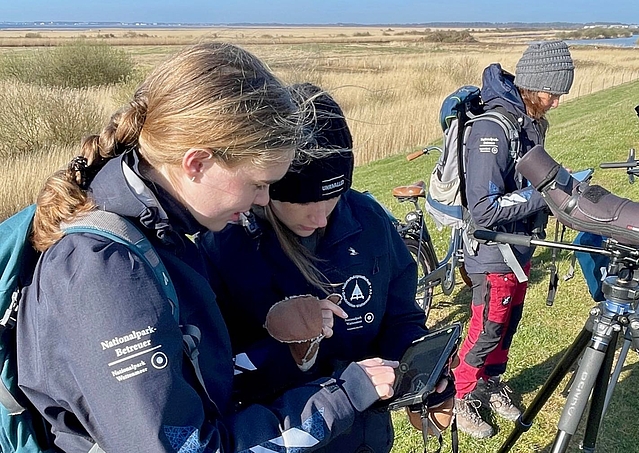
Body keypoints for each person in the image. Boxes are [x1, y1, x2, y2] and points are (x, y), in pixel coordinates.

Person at [17, 43, 399, 453]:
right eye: (258, 183)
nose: (264, 200)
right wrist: (339, 397)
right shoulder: (108, 273)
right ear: (196, 163)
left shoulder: (162, 238)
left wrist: (285, 343)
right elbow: (189, 447)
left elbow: (207, 378)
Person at [203, 83, 434, 453]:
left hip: (367, 435)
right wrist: (290, 347)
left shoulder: (368, 219)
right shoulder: (226, 246)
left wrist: (419, 370)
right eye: (306, 200)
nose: (321, 216)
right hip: (283, 435)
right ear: (269, 187)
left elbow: (401, 315)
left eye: (333, 196)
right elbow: (215, 374)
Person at [452, 40, 575, 438]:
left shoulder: (530, 121)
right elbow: (484, 208)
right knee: (487, 324)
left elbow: (525, 181)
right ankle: (461, 394)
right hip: (492, 250)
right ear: (532, 85)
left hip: (518, 245)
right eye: (551, 93)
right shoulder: (493, 128)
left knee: (508, 323)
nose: (555, 102)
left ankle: (489, 382)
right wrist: (546, 194)